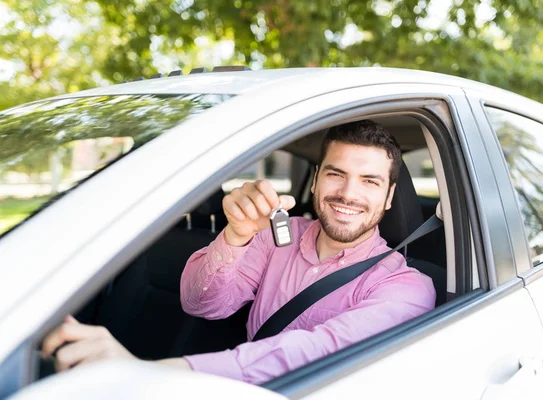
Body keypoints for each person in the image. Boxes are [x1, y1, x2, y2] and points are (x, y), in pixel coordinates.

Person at [41, 119, 436, 384]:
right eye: (336, 174)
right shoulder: (274, 235)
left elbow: (318, 352)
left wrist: (150, 374)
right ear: (315, 182)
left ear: (388, 199)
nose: (348, 193)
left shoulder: (405, 287)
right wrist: (236, 235)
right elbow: (202, 304)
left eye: (369, 181)